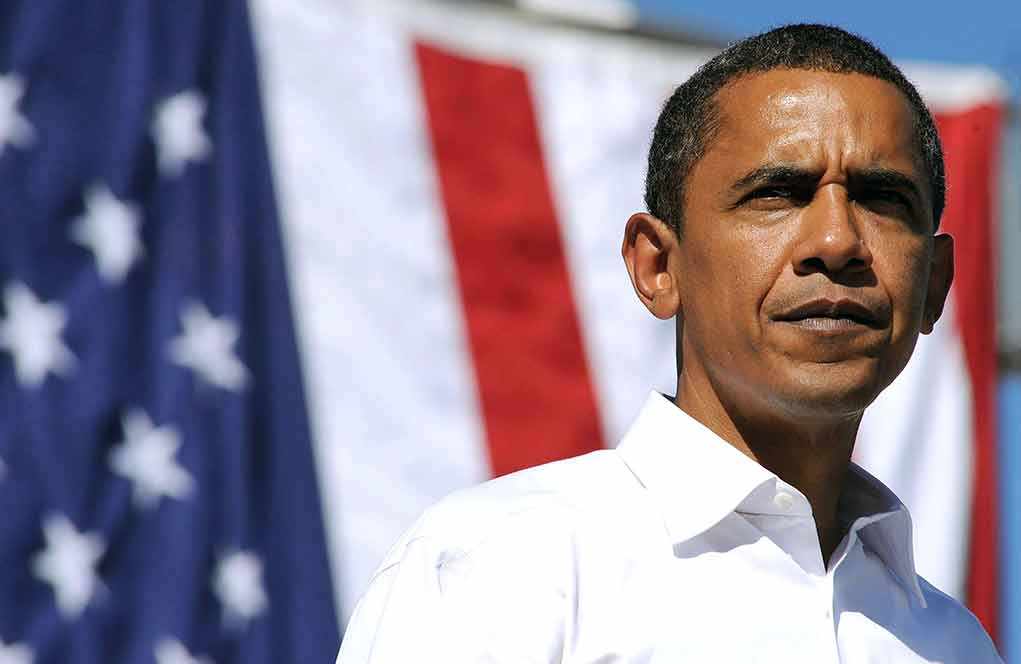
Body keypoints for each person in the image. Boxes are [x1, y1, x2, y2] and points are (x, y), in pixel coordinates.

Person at [336, 24, 1002, 662]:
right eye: (776, 193)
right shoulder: (500, 569)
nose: (835, 242)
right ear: (657, 266)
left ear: (934, 284)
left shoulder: (951, 645)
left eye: (883, 200)